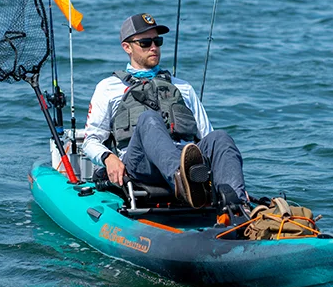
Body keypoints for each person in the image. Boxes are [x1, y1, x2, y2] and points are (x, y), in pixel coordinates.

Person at [83, 13, 248, 210]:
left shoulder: (183, 87)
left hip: (184, 156)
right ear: (127, 47)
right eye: (145, 42)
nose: (153, 47)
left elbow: (207, 136)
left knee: (220, 138)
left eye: (157, 41)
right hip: (141, 164)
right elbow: (91, 140)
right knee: (148, 119)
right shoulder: (108, 87)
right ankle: (184, 182)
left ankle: (237, 207)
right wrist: (108, 158)